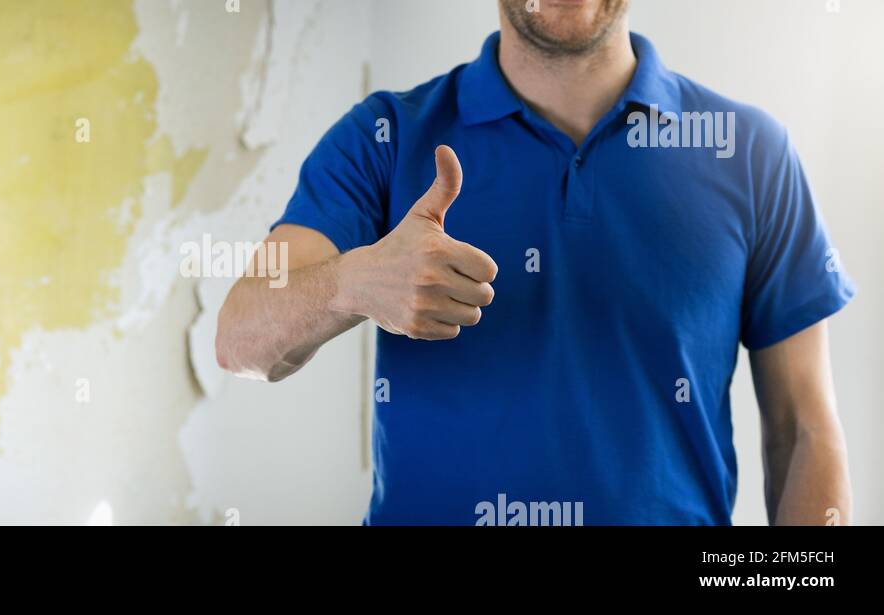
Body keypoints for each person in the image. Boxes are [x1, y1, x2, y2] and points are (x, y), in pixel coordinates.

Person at [214, 0, 855, 525]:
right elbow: (239, 337)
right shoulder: (382, 136)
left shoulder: (751, 154)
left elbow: (804, 430)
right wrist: (352, 282)